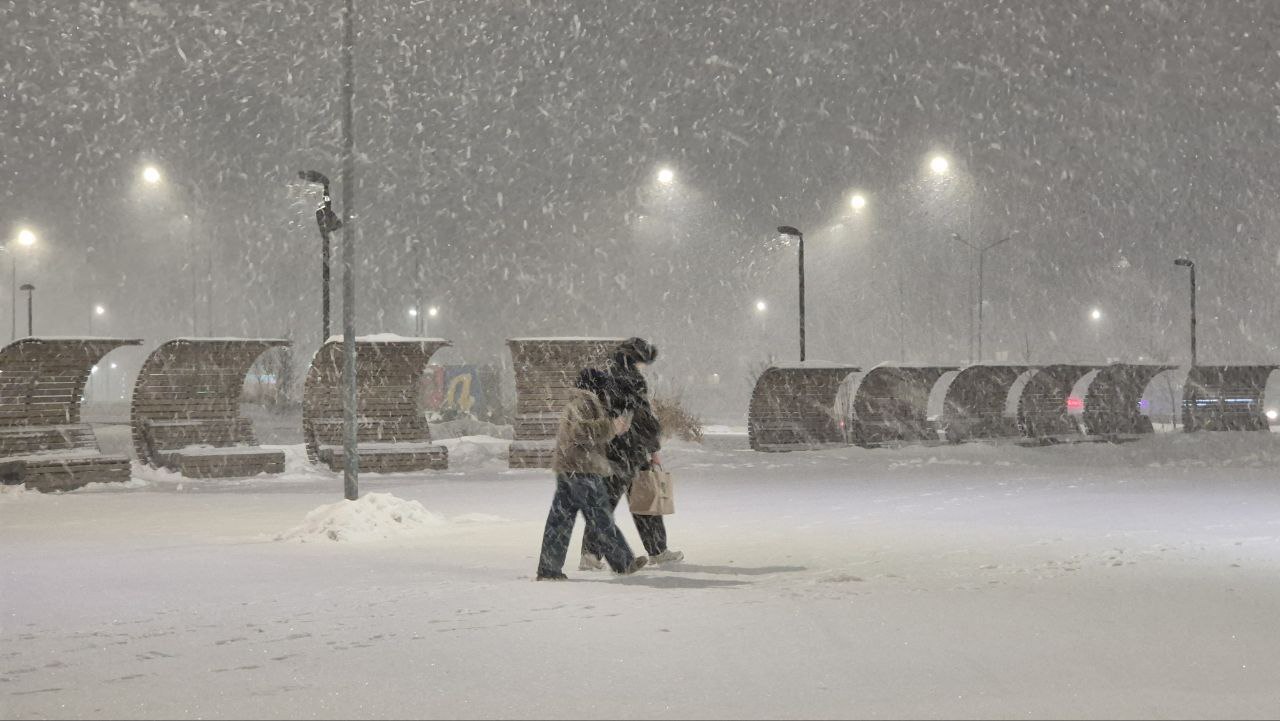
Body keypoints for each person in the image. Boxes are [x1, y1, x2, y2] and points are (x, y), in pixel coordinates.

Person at [580, 337, 684, 570]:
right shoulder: (632, 379)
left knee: (606, 502)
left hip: (611, 450)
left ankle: (590, 555)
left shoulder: (605, 377)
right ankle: (657, 551)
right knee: (645, 503)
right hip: (631, 451)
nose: (645, 365)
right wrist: (653, 448)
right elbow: (643, 417)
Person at [535, 368, 648, 581]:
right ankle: (624, 563)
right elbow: (579, 432)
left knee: (560, 521)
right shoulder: (585, 403)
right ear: (595, 386)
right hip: (582, 470)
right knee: (600, 519)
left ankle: (549, 570)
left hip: (570, 469)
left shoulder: (581, 402)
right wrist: (611, 427)